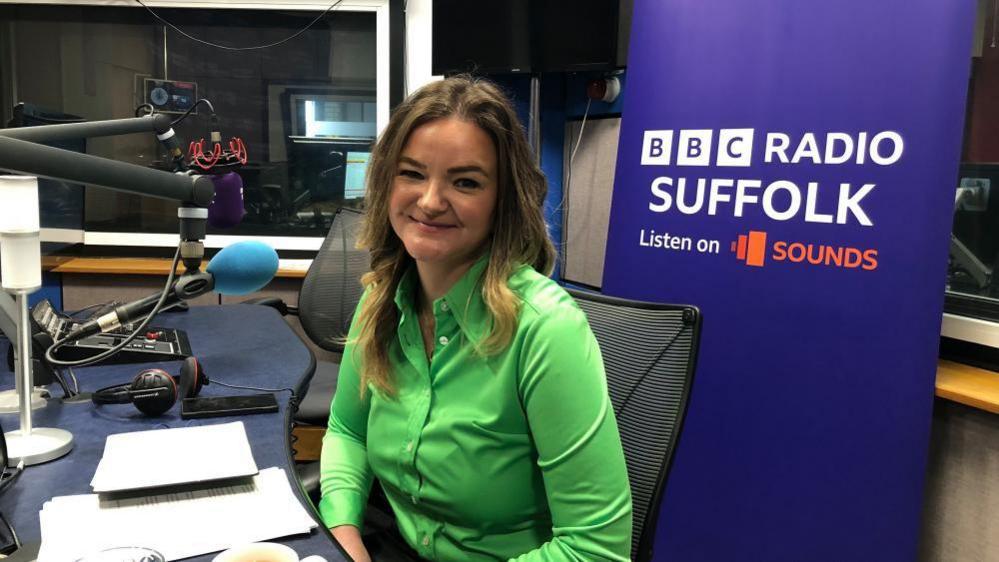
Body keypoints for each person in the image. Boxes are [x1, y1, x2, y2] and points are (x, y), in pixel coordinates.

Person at [318, 76, 632, 561]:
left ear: (502, 200)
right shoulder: (381, 295)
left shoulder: (546, 330)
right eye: (412, 173)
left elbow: (596, 550)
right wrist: (346, 539)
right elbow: (347, 431)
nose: (429, 200)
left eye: (465, 182)